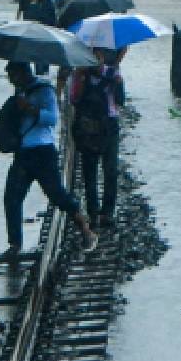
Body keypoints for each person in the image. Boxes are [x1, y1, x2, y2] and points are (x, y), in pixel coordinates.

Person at [1, 61, 98, 257]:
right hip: (23, 152)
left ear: (23, 73)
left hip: (43, 151)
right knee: (12, 197)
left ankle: (86, 229)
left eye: (13, 75)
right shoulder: (20, 92)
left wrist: (29, 108)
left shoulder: (45, 91)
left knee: (57, 195)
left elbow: (52, 119)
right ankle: (15, 244)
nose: (11, 80)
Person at [70, 48, 127, 227]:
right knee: (90, 171)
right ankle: (93, 212)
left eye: (98, 58)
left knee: (110, 170)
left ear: (103, 58)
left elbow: (120, 101)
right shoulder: (81, 75)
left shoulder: (113, 73)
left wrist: (118, 84)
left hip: (109, 125)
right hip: (88, 128)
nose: (96, 61)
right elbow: (74, 99)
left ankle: (107, 212)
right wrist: (79, 79)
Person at [16, 0, 57, 75]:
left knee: (40, 55)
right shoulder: (45, 4)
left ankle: (41, 71)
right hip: (42, 33)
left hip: (41, 33)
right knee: (41, 55)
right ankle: (42, 71)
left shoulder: (43, 4)